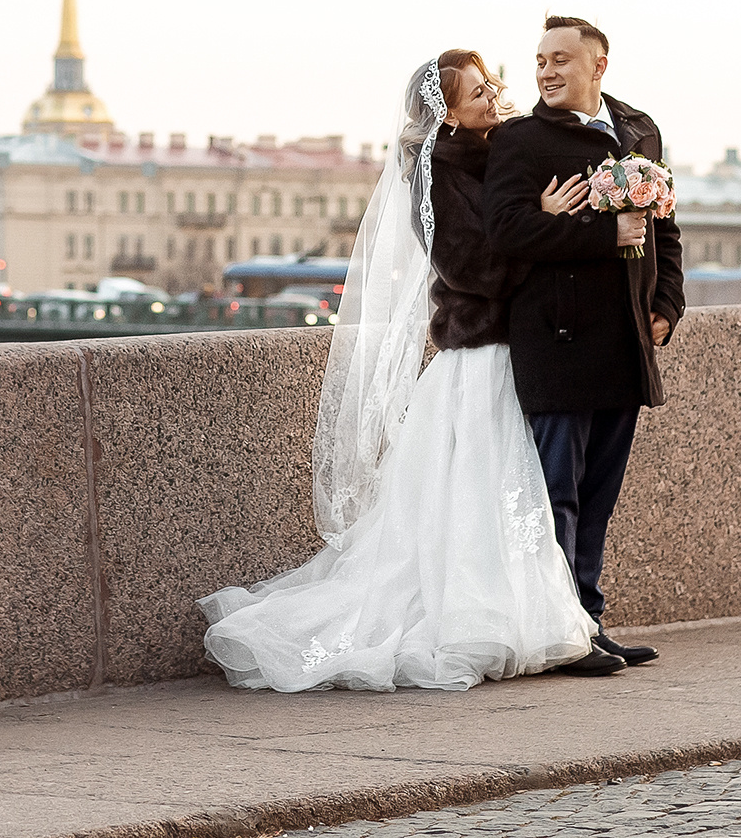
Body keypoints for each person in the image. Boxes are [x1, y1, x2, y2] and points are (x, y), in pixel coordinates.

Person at [199, 54, 604, 690]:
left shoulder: (494, 156)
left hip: (507, 352)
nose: (494, 96)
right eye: (478, 93)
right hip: (479, 358)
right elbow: (475, 271)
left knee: (510, 500)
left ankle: (534, 620)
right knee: (485, 496)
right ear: (447, 115)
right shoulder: (438, 175)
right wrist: (543, 226)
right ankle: (485, 624)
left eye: (492, 84)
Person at [483, 15, 683, 672]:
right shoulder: (520, 140)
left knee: (598, 494)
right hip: (557, 338)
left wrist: (667, 302)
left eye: (562, 59)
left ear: (598, 65)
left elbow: (665, 226)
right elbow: (505, 232)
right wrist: (603, 236)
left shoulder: (638, 130)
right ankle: (558, 634)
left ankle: (590, 621)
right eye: (540, 59)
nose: (546, 70)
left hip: (625, 338)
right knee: (556, 494)